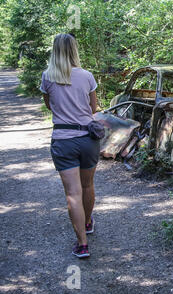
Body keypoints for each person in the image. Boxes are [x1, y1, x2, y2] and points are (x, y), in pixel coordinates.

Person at [40, 33, 99, 259]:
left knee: (73, 193)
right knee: (87, 185)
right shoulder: (87, 76)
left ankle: (82, 244)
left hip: (63, 140)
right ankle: (87, 222)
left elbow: (50, 106)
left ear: (55, 51)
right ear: (74, 50)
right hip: (87, 138)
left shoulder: (48, 77)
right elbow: (93, 108)